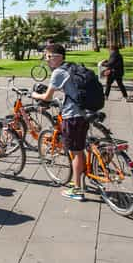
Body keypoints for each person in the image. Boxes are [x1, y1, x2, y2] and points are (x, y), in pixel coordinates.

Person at [31, 43, 88, 202]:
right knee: (80, 148)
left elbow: (48, 97)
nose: (46, 60)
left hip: (73, 116)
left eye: (48, 57)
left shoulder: (58, 72)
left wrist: (35, 95)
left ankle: (77, 190)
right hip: (84, 112)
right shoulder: (72, 67)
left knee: (76, 153)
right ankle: (79, 180)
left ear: (57, 57)